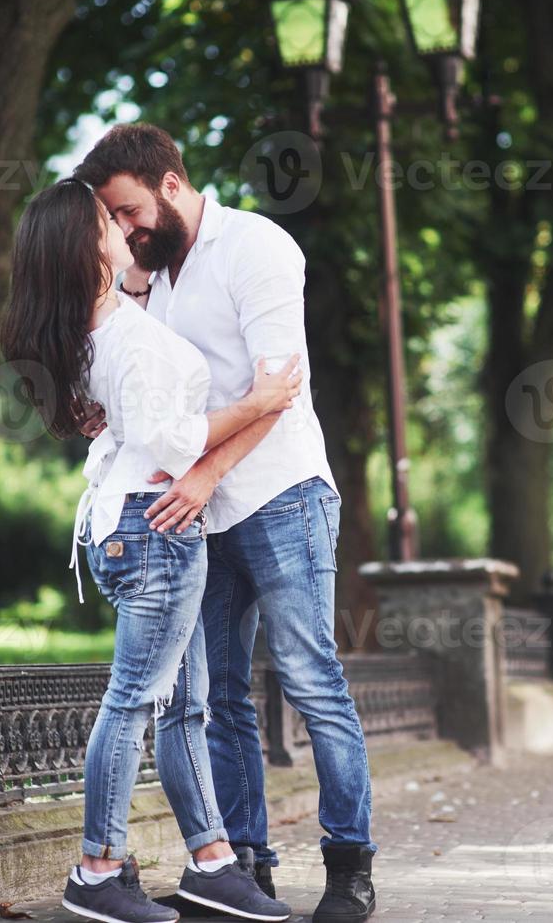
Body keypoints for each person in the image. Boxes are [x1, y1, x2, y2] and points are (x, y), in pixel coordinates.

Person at [76, 124, 378, 923]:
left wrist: (203, 475)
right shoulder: (153, 275)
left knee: (313, 683)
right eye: (117, 218)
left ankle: (349, 868)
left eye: (131, 209)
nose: (129, 228)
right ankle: (243, 868)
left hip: (280, 496)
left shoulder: (257, 247)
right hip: (194, 517)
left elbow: (280, 388)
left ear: (169, 184)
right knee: (219, 701)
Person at [1, 178, 299, 923]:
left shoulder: (97, 326)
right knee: (136, 699)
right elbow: (173, 441)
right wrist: (258, 404)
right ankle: (98, 868)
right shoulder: (127, 338)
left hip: (133, 526)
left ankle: (212, 862)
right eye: (108, 221)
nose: (123, 228)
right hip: (155, 530)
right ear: (86, 245)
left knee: (184, 705)